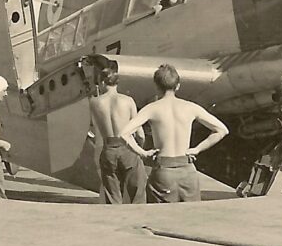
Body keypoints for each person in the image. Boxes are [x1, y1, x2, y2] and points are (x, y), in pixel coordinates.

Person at [119, 64, 228, 203]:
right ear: (178, 86)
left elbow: (124, 134)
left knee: (161, 219)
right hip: (188, 171)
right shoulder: (191, 107)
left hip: (164, 171)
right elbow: (222, 130)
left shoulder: (151, 109)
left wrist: (142, 153)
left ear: (157, 87)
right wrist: (197, 149)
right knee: (191, 218)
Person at [88, 68, 146, 204]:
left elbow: (94, 128)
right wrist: (138, 150)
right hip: (127, 148)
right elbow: (140, 134)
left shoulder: (95, 102)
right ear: (117, 83)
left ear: (102, 83)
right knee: (137, 194)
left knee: (112, 197)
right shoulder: (128, 101)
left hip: (108, 149)